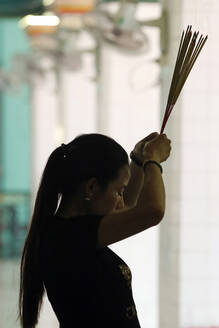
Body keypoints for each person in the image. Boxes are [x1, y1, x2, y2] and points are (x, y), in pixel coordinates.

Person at [18, 131, 171, 328]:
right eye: (118, 191)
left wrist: (138, 161)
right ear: (91, 188)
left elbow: (128, 208)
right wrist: (153, 161)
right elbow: (153, 211)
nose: (121, 201)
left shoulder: (68, 231)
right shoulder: (68, 238)